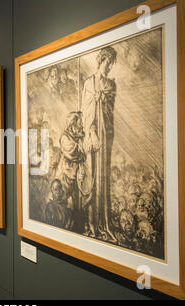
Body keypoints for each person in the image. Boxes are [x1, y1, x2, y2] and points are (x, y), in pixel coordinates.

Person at [80, 46, 117, 240]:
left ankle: (104, 223)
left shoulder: (111, 85)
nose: (109, 66)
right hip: (92, 136)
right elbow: (85, 112)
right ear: (101, 60)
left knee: (103, 178)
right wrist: (91, 131)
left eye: (112, 62)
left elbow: (109, 112)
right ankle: (91, 223)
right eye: (107, 61)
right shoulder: (89, 83)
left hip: (105, 136)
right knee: (91, 177)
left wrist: (101, 100)